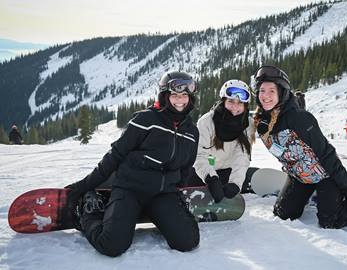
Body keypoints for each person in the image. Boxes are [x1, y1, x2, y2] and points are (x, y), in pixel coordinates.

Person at [64, 71, 200, 257]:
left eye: (184, 95)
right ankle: (91, 211)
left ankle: (158, 213)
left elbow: (186, 166)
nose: (180, 100)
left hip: (162, 194)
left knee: (188, 242)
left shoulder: (191, 132)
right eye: (175, 95)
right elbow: (115, 156)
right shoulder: (145, 120)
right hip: (130, 190)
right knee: (112, 246)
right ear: (165, 96)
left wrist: (177, 191)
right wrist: (84, 186)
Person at [252, 65, 347, 229]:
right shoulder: (262, 121)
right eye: (262, 91)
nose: (265, 96)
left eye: (271, 91)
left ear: (282, 93)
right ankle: (315, 194)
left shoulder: (300, 119)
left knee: (329, 223)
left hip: (326, 175)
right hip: (300, 176)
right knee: (284, 214)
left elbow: (328, 155)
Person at [184, 79, 256, 199]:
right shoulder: (206, 122)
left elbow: (242, 156)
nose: (235, 107)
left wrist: (235, 183)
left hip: (227, 172)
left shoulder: (249, 124)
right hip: (203, 172)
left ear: (245, 105)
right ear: (223, 101)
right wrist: (211, 178)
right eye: (231, 101)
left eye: (240, 103)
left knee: (245, 177)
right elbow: (200, 155)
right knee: (184, 180)